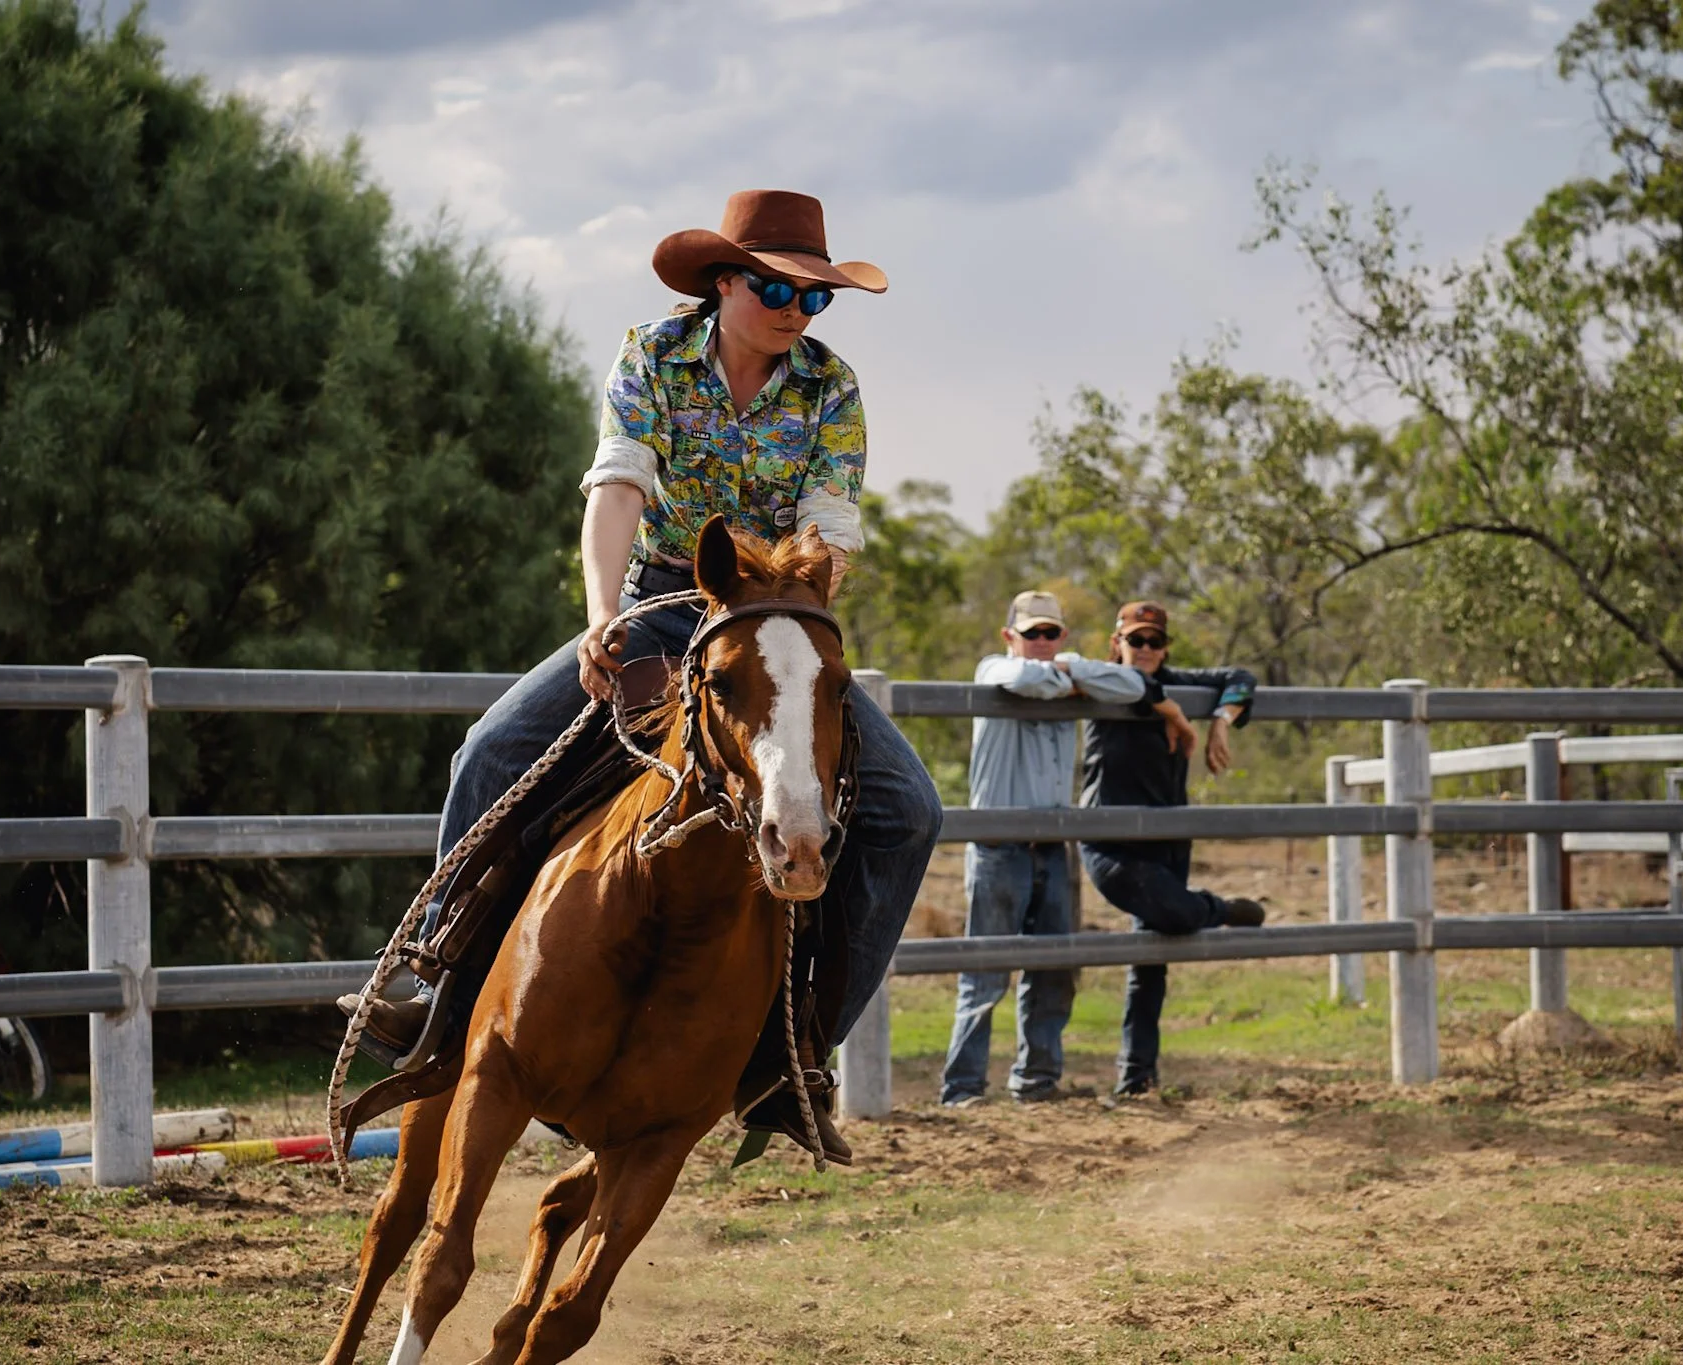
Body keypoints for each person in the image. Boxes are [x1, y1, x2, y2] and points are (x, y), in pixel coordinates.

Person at [350, 190, 944, 1159]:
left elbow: (830, 528)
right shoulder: (654, 354)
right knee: (491, 747)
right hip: (664, 600)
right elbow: (619, 486)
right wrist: (600, 622)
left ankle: (798, 1055)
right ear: (724, 281)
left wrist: (785, 607)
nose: (795, 310)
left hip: (773, 614)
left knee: (908, 811)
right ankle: (425, 975)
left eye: (813, 297)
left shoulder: (830, 390)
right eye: (774, 287)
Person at [938, 591, 1146, 1107]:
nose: (1043, 642)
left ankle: (1037, 1082)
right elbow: (1017, 679)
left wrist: (1069, 671)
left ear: (1064, 638)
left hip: (1054, 848)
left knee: (1053, 971)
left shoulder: (1064, 669)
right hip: (997, 847)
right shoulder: (993, 668)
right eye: (1032, 634)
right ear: (1011, 637)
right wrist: (1074, 680)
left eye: (1052, 633)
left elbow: (1133, 684)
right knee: (985, 975)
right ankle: (963, 1089)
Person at [1079, 601, 1264, 1099]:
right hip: (1110, 840)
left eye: (1153, 642)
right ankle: (1220, 909)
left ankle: (1137, 1076)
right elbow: (1078, 669)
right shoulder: (1103, 679)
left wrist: (1221, 720)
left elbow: (1241, 676)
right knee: (1176, 914)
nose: (1144, 650)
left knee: (1151, 961)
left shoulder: (1180, 683)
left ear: (1164, 648)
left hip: (1168, 837)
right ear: (1116, 643)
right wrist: (1173, 711)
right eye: (1134, 641)